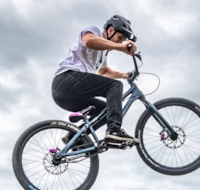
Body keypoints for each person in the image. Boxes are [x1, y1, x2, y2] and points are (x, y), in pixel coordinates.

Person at [51, 15, 138, 143]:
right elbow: (88, 41)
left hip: (66, 96)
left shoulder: (102, 53)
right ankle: (114, 130)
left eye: (122, 40)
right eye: (120, 38)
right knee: (115, 86)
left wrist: (124, 74)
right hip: (66, 79)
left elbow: (104, 71)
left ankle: (74, 137)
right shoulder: (94, 31)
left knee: (107, 111)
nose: (120, 42)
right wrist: (120, 47)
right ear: (110, 30)